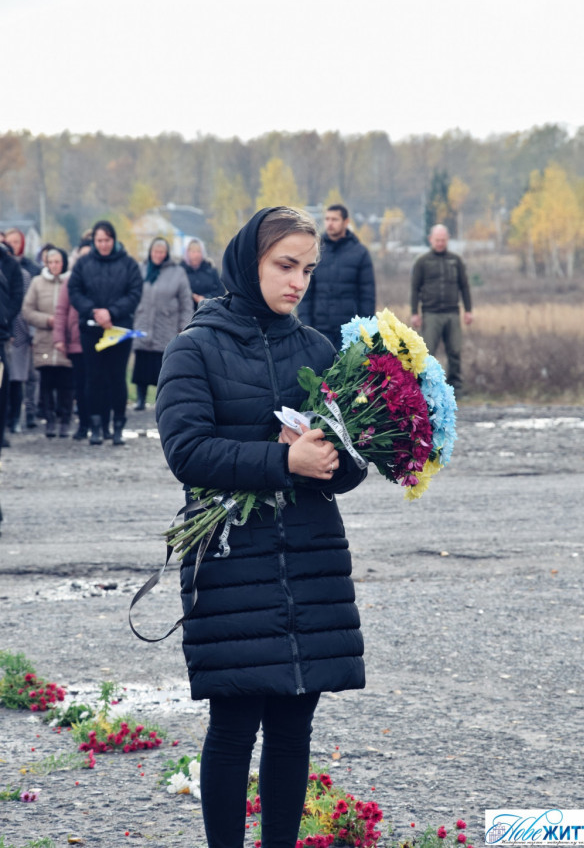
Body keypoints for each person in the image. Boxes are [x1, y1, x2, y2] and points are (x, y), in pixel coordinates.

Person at [155, 207, 367, 848]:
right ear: (249, 262)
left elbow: (349, 471)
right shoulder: (196, 346)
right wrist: (282, 458)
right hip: (233, 561)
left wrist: (336, 455)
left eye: (306, 269)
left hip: (309, 559)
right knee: (235, 720)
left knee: (295, 722)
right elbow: (187, 451)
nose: (297, 281)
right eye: (285, 266)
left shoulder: (318, 349)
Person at [68, 220, 143, 446]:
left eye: (107, 240)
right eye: (99, 240)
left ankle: (118, 426)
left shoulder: (128, 264)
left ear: (114, 240)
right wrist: (94, 312)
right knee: (94, 378)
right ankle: (96, 427)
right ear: (94, 241)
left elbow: (135, 292)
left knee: (117, 378)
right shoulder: (83, 264)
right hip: (91, 329)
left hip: (118, 329)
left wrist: (111, 312)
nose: (103, 245)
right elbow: (74, 290)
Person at [298, 203, 376, 349]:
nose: (330, 223)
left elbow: (367, 296)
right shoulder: (314, 250)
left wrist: (364, 331)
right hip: (318, 330)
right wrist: (305, 325)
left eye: (335, 219)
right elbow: (305, 292)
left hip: (349, 332)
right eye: (327, 219)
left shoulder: (360, 253)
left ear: (346, 222)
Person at [131, 237, 193, 410]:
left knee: (163, 368)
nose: (158, 255)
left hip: (166, 326)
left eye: (161, 252)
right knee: (141, 365)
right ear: (150, 253)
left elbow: (186, 302)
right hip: (143, 324)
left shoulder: (177, 272)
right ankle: (141, 399)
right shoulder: (141, 270)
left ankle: (162, 401)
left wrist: (185, 326)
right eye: (155, 252)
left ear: (166, 254)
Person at [410, 223, 473, 397]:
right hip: (431, 313)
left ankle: (456, 388)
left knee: (455, 351)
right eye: (437, 240)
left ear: (447, 240)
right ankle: (426, 389)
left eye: (443, 240)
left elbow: (464, 286)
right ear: (431, 239)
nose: (440, 243)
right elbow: (415, 288)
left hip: (452, 313)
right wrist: (414, 312)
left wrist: (468, 310)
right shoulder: (422, 262)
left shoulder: (456, 260)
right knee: (427, 352)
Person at [22, 248, 74, 438]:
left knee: (66, 384)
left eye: (57, 262)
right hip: (44, 340)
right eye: (50, 262)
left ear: (64, 263)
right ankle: (49, 419)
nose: (54, 266)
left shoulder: (71, 282)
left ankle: (65, 420)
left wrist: (63, 323)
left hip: (66, 341)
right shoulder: (37, 283)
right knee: (46, 383)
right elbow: (27, 310)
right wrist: (47, 320)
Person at [53, 240, 93, 440]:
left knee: (97, 385)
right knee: (80, 386)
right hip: (77, 342)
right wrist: (60, 337)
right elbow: (61, 311)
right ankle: (83, 424)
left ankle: (99, 423)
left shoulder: (99, 279)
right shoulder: (71, 281)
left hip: (98, 342)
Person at [4, 228, 41, 435]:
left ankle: (19, 416)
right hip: (5, 326)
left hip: (20, 328)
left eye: (16, 242)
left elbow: (27, 302)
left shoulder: (26, 271)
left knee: (20, 377)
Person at [0, 236, 24, 473]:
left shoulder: (10, 264)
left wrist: (5, 318)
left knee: (2, 387)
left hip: (1, 335)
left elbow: (17, 295)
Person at [180, 238, 225, 309]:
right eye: (193, 251)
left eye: (199, 251)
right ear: (187, 253)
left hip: (208, 311)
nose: (196, 254)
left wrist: (206, 297)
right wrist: (192, 296)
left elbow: (221, 290)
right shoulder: (180, 270)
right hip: (186, 311)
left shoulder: (210, 268)